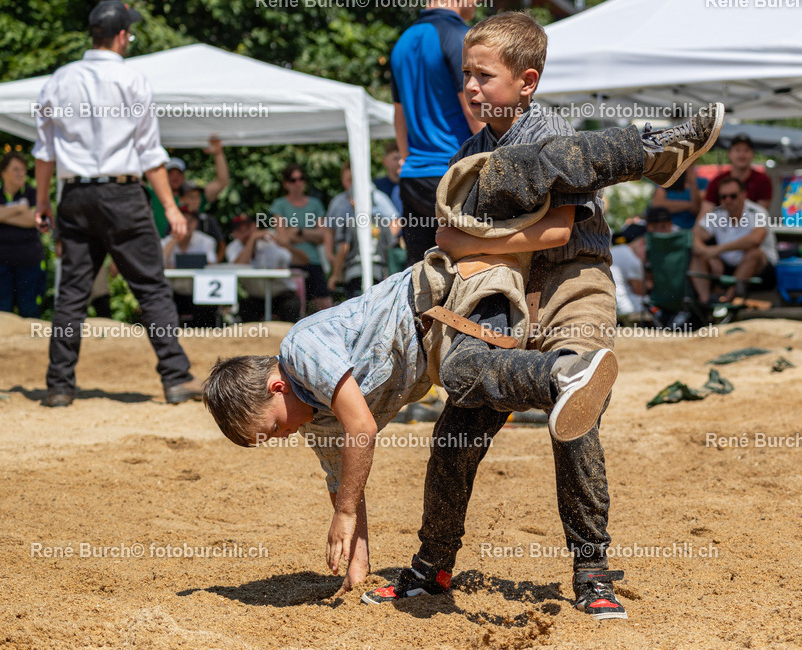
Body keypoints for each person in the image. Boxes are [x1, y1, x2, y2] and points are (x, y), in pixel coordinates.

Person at [201, 118, 707, 596]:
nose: (280, 438)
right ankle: (433, 568)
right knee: (452, 440)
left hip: (468, 290)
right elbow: (346, 487)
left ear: (275, 387)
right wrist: (354, 571)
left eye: (270, 429)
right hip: (462, 307)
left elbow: (361, 432)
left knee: (479, 378)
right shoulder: (317, 423)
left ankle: (649, 152)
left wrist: (346, 513)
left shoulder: (300, 349)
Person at [364, 10, 724, 621]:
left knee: (575, 420)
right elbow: (448, 238)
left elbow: (556, 231)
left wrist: (477, 240)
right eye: (466, 75)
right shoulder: (472, 150)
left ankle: (592, 573)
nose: (469, 87)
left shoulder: (555, 135)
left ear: (527, 81)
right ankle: (432, 567)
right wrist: (472, 247)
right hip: (501, 289)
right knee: (456, 431)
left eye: (484, 76)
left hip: (572, 281)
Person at [32, 0, 204, 407]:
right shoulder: (133, 80)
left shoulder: (59, 79)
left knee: (71, 293)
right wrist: (172, 208)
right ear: (122, 36)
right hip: (123, 195)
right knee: (151, 287)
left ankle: (59, 386)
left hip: (75, 196)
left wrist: (42, 202)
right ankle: (176, 378)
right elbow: (150, 155)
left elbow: (45, 152)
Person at [389, 0, 493, 264]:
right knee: (475, 273)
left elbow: (399, 117)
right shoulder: (460, 37)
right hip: (454, 178)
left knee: (422, 277)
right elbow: (473, 108)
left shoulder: (403, 40)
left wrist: (408, 159)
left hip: (413, 180)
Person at [690, 176, 777, 303]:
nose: (728, 200)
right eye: (723, 197)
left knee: (754, 253)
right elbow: (695, 234)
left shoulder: (757, 212)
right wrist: (708, 254)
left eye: (733, 196)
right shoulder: (717, 213)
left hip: (762, 271)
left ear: (744, 195)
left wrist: (717, 250)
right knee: (696, 255)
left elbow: (755, 239)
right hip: (729, 267)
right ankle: (706, 301)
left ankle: (727, 300)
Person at [268, 164, 333, 312]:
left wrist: (298, 232)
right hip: (291, 262)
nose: (298, 183)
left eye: (301, 179)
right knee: (293, 307)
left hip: (313, 262)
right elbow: (283, 239)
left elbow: (322, 236)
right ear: (286, 183)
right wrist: (309, 234)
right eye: (293, 180)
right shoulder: (280, 204)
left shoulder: (315, 204)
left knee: (326, 306)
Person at [225, 213, 301, 323]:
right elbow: (239, 266)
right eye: (241, 230)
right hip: (256, 297)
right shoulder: (233, 248)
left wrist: (285, 245)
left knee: (290, 307)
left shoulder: (271, 242)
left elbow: (299, 260)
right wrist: (252, 240)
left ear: (255, 227)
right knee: (246, 309)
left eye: (248, 228)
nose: (246, 233)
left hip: (281, 295)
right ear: (234, 234)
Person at [150, 139, 230, 235]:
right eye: (171, 174)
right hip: (159, 243)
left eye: (178, 174)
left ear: (183, 176)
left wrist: (218, 153)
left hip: (190, 244)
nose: (175, 178)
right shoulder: (154, 195)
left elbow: (221, 182)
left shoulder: (193, 197)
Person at [0, 152, 46, 317]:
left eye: (23, 170)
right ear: (3, 173)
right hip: (2, 264)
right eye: (16, 169)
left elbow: (36, 219)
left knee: (29, 310)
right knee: (2, 311)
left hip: (29, 262)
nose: (21, 173)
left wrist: (4, 214)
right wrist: (19, 209)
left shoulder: (34, 194)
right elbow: (27, 217)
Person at [161, 207, 218, 328]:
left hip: (199, 293)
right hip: (174, 294)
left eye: (190, 221)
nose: (186, 224)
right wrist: (175, 239)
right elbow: (159, 262)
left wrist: (177, 267)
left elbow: (211, 263)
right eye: (183, 220)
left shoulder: (207, 241)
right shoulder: (166, 242)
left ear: (196, 223)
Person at [702, 133, 772, 214]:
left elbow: (760, 214)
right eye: (737, 150)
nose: (742, 154)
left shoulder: (763, 180)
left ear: (752, 154)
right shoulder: (717, 181)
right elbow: (705, 212)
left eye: (746, 150)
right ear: (729, 154)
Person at [179, 181, 226, 261]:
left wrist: (214, 263)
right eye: (191, 197)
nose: (195, 201)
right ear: (182, 199)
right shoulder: (175, 219)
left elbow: (221, 244)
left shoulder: (207, 220)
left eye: (197, 197)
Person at [610, 223, 648, 320]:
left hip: (608, 304)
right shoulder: (633, 259)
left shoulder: (614, 250)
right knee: (647, 301)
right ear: (642, 242)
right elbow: (639, 291)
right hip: (623, 309)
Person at [373, 141, 403, 217]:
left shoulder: (411, 185)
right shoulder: (376, 186)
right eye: (395, 158)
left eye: (402, 158)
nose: (399, 162)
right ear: (384, 161)